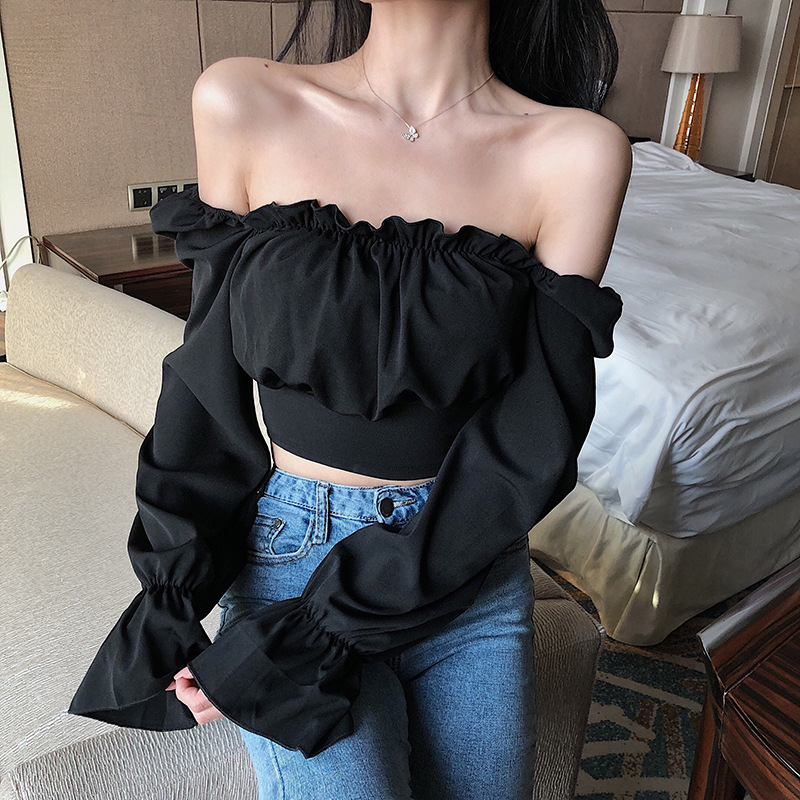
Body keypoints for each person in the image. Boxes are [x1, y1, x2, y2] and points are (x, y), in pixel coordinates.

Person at [68, 1, 631, 798]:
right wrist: (174, 588)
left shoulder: (578, 152)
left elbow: (537, 431)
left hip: (464, 565)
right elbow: (205, 379)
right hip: (288, 562)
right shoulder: (241, 101)